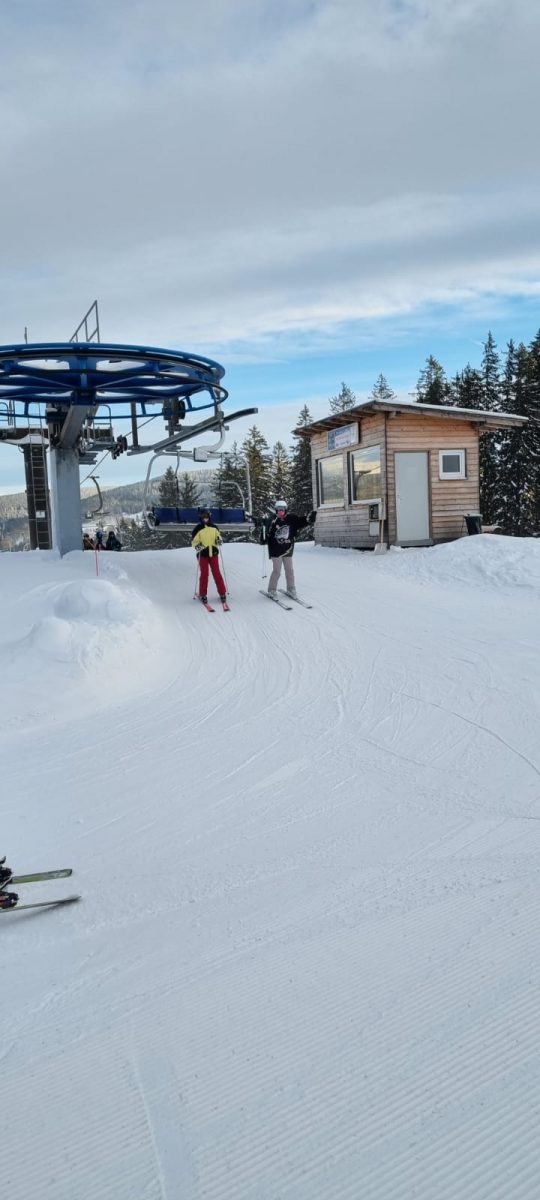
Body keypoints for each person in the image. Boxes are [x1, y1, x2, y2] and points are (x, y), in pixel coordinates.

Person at [260, 500, 317, 598]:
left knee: (289, 570)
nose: (280, 511)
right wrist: (263, 536)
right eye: (278, 510)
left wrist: (308, 519)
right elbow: (265, 530)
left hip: (288, 549)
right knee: (277, 571)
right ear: (275, 510)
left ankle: (291, 589)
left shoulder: (291, 518)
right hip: (276, 550)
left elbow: (301, 521)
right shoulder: (272, 520)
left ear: (286, 510)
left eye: (282, 509)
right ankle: (272, 590)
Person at [191, 509, 228, 606]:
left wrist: (219, 541)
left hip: (213, 554)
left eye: (207, 516)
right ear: (200, 517)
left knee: (217, 573)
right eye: (203, 516)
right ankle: (203, 594)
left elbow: (219, 537)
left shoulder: (214, 527)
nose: (205, 518)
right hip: (203, 555)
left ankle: (222, 593)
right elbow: (194, 543)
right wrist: (200, 547)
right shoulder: (197, 528)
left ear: (209, 516)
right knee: (204, 574)